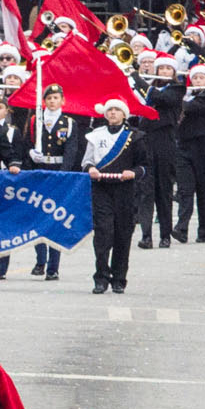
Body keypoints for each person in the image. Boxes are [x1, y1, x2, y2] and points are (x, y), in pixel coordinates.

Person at [68, 98, 143, 293]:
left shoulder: (135, 137)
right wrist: (91, 168)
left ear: (124, 114)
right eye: (110, 110)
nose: (113, 113)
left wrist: (133, 173)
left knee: (123, 234)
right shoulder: (95, 135)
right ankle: (101, 277)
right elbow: (87, 161)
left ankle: (119, 278)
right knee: (103, 233)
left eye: (117, 110)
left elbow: (145, 165)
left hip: (125, 190)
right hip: (101, 188)